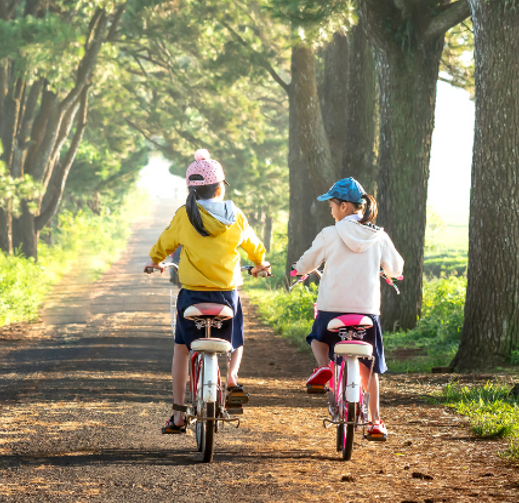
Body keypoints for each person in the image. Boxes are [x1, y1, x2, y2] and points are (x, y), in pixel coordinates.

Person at [144, 150, 271, 433]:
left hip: (192, 295)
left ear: (191, 189)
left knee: (180, 348)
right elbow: (253, 245)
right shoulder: (235, 216)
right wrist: (261, 264)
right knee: (236, 337)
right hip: (227, 295)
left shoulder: (184, 215)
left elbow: (164, 243)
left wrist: (154, 261)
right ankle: (232, 379)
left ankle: (178, 415)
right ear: (220, 187)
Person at [292, 177, 403, 442]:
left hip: (332, 312)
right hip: (367, 314)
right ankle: (375, 421)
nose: (330, 211)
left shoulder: (330, 234)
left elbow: (308, 261)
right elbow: (396, 269)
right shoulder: (379, 236)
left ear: (343, 207)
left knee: (317, 340)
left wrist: (299, 269)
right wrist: (390, 274)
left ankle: (322, 367)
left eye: (331, 205)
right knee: (371, 367)